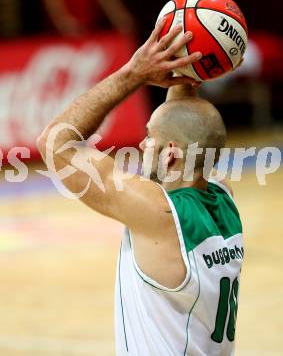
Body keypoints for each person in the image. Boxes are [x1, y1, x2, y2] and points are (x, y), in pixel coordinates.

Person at [37, 18, 244, 355]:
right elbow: (187, 128)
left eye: (150, 137)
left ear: (172, 153)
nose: (143, 144)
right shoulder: (225, 199)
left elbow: (53, 143)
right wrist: (188, 67)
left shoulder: (158, 214)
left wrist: (134, 73)